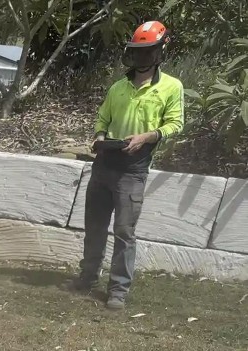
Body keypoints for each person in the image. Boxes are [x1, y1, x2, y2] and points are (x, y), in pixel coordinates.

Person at [71, 21, 185, 310]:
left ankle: (118, 290)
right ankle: (87, 278)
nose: (142, 58)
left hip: (133, 169)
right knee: (94, 226)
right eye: (137, 52)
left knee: (124, 231)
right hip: (104, 163)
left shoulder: (172, 87)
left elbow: (175, 123)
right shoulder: (118, 87)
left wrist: (147, 137)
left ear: (160, 51)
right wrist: (98, 136)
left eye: (147, 52)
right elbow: (102, 119)